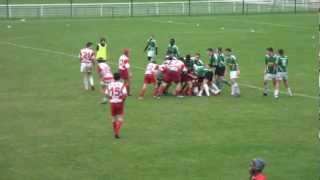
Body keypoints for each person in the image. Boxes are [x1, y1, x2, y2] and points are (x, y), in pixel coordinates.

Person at [104, 72, 127, 139]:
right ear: (120, 78)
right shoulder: (122, 84)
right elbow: (125, 95)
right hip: (119, 102)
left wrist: (110, 98)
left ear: (113, 78)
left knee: (114, 118)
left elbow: (106, 94)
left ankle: (115, 132)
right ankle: (117, 132)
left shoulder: (110, 84)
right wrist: (123, 101)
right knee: (120, 118)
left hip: (112, 103)